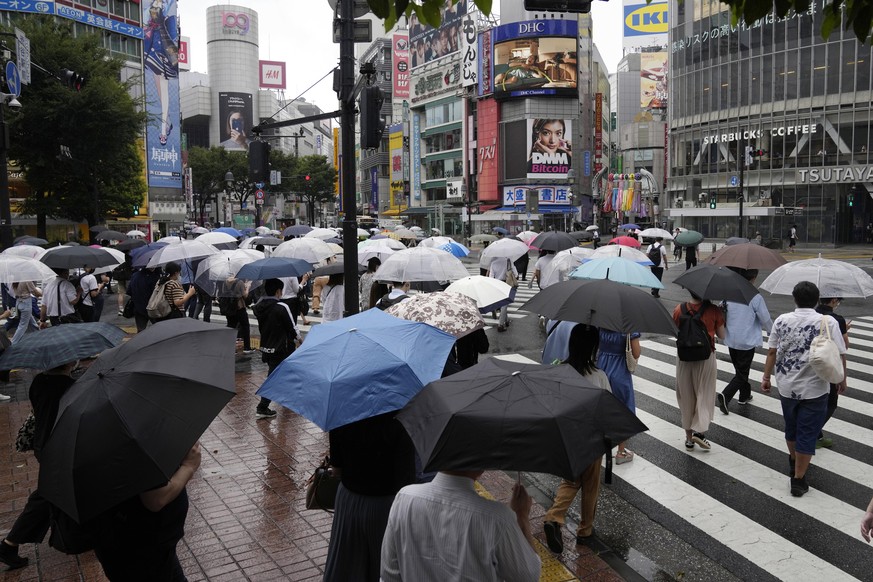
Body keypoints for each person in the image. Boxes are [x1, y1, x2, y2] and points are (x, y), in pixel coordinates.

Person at [761, 282, 846, 497]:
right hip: (816, 387)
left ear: (794, 299)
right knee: (807, 432)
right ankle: (798, 479)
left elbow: (772, 352)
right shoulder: (829, 321)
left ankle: (793, 460)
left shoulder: (781, 320)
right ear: (817, 299)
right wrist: (842, 379)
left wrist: (765, 377)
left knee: (791, 428)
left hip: (787, 385)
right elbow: (839, 353)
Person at [380, 470, 540, 581]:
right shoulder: (498, 519)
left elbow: (389, 575)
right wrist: (522, 517)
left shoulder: (405, 498)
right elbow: (528, 576)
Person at [0, 359, 79, 570]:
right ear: (69, 362)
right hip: (61, 448)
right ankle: (9, 544)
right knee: (46, 496)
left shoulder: (38, 382)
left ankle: (74, 534)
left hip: (43, 445)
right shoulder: (69, 387)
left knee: (62, 490)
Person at [542, 324, 612, 554]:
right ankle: (585, 530)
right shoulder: (599, 377)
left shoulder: (560, 372)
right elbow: (608, 408)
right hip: (591, 438)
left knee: (571, 480)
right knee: (590, 484)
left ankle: (554, 516)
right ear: (593, 348)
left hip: (567, 436)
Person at [324, 411, 417, 581]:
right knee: (383, 564)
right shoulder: (401, 421)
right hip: (384, 506)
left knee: (346, 562)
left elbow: (336, 469)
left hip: (348, 501)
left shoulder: (343, 415)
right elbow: (406, 481)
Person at [93, 443, 201, 580]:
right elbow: (156, 499)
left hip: (150, 547)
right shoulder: (137, 440)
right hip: (140, 550)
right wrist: (189, 467)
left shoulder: (128, 433)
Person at [673, 291, 726, 451]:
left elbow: (676, 331)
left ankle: (689, 439)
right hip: (705, 357)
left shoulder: (678, 309)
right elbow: (722, 335)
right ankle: (699, 431)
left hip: (684, 358)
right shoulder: (714, 310)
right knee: (704, 393)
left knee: (686, 395)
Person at [717, 269, 773, 415]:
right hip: (746, 340)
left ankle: (744, 395)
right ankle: (726, 395)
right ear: (754, 277)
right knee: (742, 372)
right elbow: (765, 318)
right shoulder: (755, 296)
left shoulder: (729, 294)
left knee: (740, 369)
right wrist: (772, 332)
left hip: (731, 339)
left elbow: (720, 310)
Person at [252, 279, 299, 420]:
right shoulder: (281, 307)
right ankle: (262, 407)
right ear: (278, 291)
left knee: (279, 371)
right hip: (280, 347)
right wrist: (299, 339)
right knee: (273, 377)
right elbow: (291, 327)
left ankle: (286, 395)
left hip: (266, 346)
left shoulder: (259, 306)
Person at [598, 328, 641, 464]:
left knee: (603, 407)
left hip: (602, 368)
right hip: (620, 371)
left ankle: (600, 446)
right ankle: (621, 451)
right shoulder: (628, 326)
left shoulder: (600, 324)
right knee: (622, 410)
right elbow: (636, 352)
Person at [814, 296, 850, 449]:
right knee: (831, 403)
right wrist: (843, 378)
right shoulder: (837, 319)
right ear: (834, 300)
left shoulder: (813, 314)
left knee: (815, 400)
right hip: (828, 364)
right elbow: (844, 347)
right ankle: (812, 433)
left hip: (812, 362)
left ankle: (818, 435)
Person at [144, 0, 179, 147]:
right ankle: (168, 121)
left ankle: (163, 129)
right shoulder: (147, 10)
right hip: (151, 50)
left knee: (163, 92)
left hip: (164, 54)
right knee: (158, 87)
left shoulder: (168, 13)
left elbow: (173, 42)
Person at [487, 257, 517, 332]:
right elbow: (516, 274)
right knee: (505, 304)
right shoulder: (509, 261)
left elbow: (491, 276)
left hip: (497, 284)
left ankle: (506, 321)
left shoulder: (493, 263)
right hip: (507, 283)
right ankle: (500, 324)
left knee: (502, 303)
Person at [224, 276, 253, 353]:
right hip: (239, 308)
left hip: (229, 308)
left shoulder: (225, 282)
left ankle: (231, 348)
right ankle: (247, 348)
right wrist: (247, 287)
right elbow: (245, 295)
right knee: (245, 327)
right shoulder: (239, 282)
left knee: (231, 327)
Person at [128, 268, 161, 332]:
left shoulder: (135, 275)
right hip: (152, 307)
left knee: (141, 331)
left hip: (138, 307)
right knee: (159, 328)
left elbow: (129, 291)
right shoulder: (154, 277)